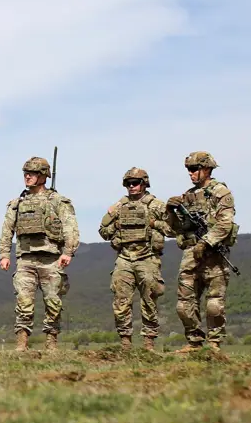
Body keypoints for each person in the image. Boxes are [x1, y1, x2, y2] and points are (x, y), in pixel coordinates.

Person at [0, 156, 79, 351]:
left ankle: (51, 344)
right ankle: (21, 345)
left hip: (51, 260)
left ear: (43, 176)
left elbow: (70, 227)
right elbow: (7, 230)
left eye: (33, 173)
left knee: (53, 303)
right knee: (23, 302)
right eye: (26, 173)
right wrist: (4, 254)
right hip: (25, 259)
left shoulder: (58, 201)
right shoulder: (17, 204)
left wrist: (68, 252)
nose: (28, 176)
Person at [165, 151, 238, 353]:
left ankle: (214, 345)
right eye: (189, 169)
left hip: (214, 254)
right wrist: (169, 211)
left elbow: (225, 223)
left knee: (214, 305)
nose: (191, 173)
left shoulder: (221, 192)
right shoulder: (187, 196)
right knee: (184, 303)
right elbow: (172, 230)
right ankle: (194, 342)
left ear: (207, 169)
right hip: (191, 256)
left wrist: (205, 242)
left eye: (194, 169)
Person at [98, 167, 174, 351]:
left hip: (147, 257)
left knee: (149, 298)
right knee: (120, 299)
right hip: (124, 258)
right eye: (128, 184)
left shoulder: (155, 205)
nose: (131, 187)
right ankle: (125, 342)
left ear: (144, 183)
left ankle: (149, 342)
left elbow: (173, 229)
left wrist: (153, 223)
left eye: (135, 183)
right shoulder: (119, 206)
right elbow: (103, 232)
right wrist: (115, 224)